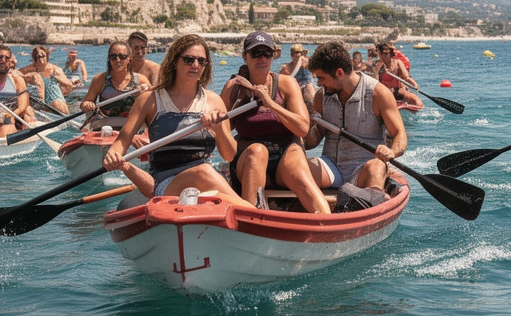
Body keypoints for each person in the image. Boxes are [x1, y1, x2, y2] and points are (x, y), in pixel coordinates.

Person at [101, 34, 244, 208]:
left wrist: (220, 130)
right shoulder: (150, 100)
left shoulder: (214, 101)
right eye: (189, 60)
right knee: (203, 172)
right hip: (166, 182)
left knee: (204, 172)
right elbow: (123, 140)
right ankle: (252, 213)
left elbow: (230, 155)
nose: (195, 65)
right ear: (175, 61)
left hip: (207, 180)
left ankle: (248, 212)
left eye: (201, 61)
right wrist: (114, 154)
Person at [222, 32, 329, 214]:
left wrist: (271, 104)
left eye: (267, 53)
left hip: (285, 152)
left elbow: (303, 128)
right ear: (245, 56)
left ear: (274, 56)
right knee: (257, 152)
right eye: (256, 53)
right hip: (249, 157)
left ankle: (326, 222)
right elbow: (222, 133)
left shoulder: (286, 84)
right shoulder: (234, 88)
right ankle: (251, 220)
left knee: (299, 171)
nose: (262, 58)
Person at [303, 41, 407, 200]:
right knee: (294, 169)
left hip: (364, 170)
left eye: (321, 78)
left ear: (339, 73)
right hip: (330, 168)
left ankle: (370, 201)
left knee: (377, 166)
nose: (318, 83)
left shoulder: (378, 93)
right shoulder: (321, 96)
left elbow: (400, 134)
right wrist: (306, 126)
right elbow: (312, 141)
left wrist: (391, 151)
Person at [79, 39, 150, 133]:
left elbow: (152, 105)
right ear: (109, 59)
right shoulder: (100, 79)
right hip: (104, 126)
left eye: (122, 57)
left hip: (132, 126)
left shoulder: (141, 80)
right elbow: (85, 103)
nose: (117, 60)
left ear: (129, 59)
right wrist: (87, 104)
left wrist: (144, 95)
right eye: (113, 57)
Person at [21, 45, 75, 114]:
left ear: (47, 56)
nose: (41, 59)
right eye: (39, 56)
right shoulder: (28, 69)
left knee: (62, 109)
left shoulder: (54, 69)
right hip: (37, 99)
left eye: (43, 56)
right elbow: (15, 74)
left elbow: (69, 84)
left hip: (53, 97)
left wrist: (58, 78)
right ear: (34, 57)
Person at [371, 40, 423, 111]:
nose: (383, 56)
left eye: (386, 54)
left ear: (390, 54)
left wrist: (414, 84)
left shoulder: (398, 62)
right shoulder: (378, 65)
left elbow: (406, 77)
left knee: (417, 101)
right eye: (381, 53)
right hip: (385, 92)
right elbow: (376, 83)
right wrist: (377, 71)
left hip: (399, 90)